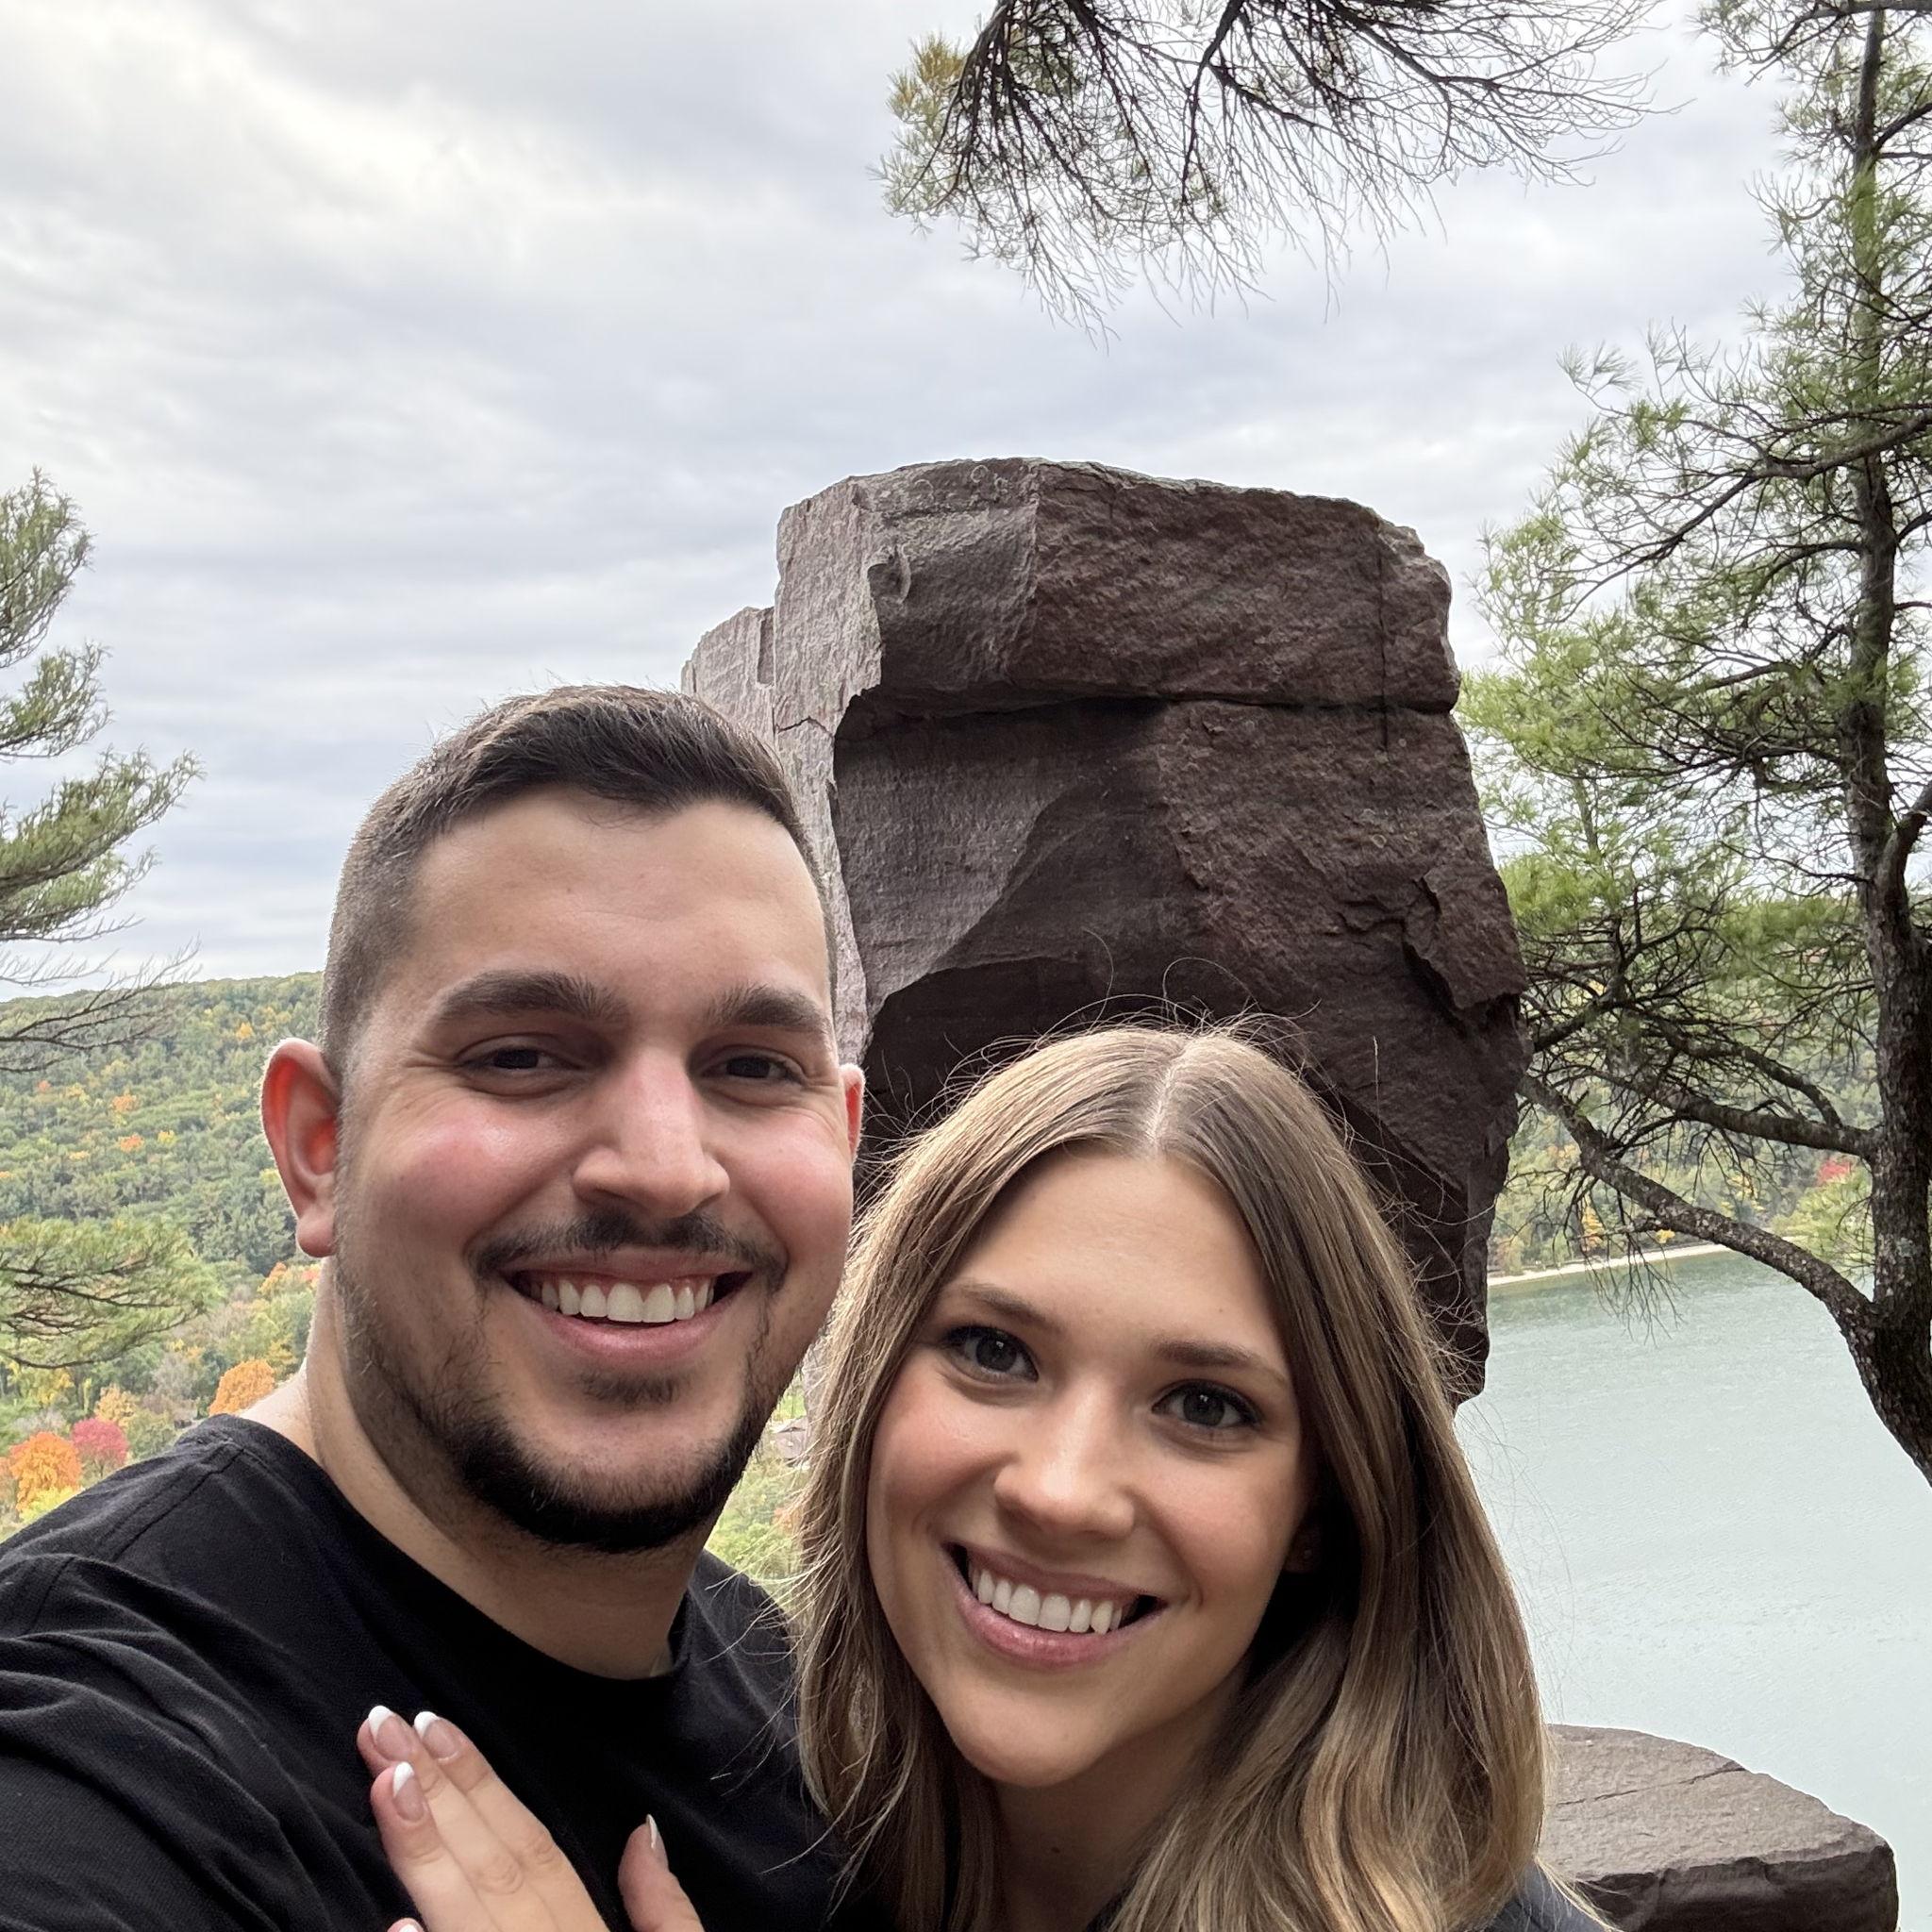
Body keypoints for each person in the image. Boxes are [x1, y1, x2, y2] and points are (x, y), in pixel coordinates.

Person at [349, 1025, 1596, 1932]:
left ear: (1322, 1509)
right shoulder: (824, 1836)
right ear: (876, 1390)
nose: (1060, 1490)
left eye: (1204, 1406)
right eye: (994, 1353)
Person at [0, 685, 881, 1931]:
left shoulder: (799, 1706)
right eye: (522, 1055)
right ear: (318, 1148)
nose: (666, 1165)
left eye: (750, 1067)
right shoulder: (94, 1750)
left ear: (840, 1144)